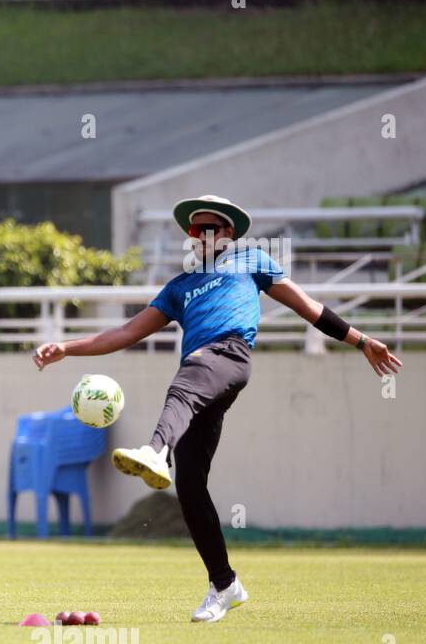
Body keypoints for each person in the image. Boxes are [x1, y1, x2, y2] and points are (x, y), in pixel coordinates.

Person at [33, 195, 402, 622]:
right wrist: (67, 347)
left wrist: (361, 340)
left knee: (185, 380)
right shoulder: (178, 288)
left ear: (228, 233)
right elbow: (127, 331)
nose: (202, 236)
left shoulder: (251, 261)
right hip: (204, 380)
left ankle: (155, 450)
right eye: (195, 230)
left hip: (229, 356)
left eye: (211, 228)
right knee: (190, 487)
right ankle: (225, 584)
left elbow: (309, 307)